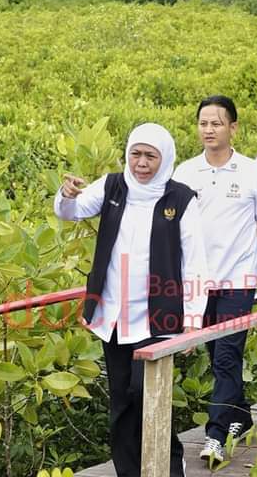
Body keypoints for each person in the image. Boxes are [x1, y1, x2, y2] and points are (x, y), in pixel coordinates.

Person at [54, 123, 208, 477]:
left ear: (164, 158)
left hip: (160, 317)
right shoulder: (112, 186)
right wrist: (66, 194)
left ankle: (170, 466)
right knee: (121, 401)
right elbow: (69, 212)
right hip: (113, 316)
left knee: (148, 395)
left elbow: (196, 263)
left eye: (150, 156)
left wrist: (194, 319)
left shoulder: (180, 199)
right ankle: (129, 471)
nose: (141, 163)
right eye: (136, 154)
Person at [173, 95, 257, 464]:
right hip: (196, 283)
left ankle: (215, 436)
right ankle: (242, 414)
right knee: (212, 353)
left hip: (239, 280)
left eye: (217, 123)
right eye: (203, 123)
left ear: (233, 127)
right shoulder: (185, 173)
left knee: (226, 356)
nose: (209, 130)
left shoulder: (254, 172)